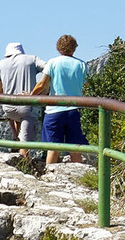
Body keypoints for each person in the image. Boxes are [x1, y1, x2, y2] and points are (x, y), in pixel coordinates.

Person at [36, 34, 89, 165]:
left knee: (53, 149)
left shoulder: (53, 62)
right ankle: (78, 177)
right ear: (74, 48)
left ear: (58, 47)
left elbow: (42, 84)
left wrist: (31, 96)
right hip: (76, 109)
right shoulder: (82, 65)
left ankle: (50, 176)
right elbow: (87, 86)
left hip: (54, 110)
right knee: (75, 148)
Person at [0, 41, 45, 154]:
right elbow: (48, 69)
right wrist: (38, 91)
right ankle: (23, 162)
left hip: (8, 108)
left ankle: (15, 138)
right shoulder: (31, 59)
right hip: (27, 106)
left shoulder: (0, 64)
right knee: (25, 145)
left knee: (16, 117)